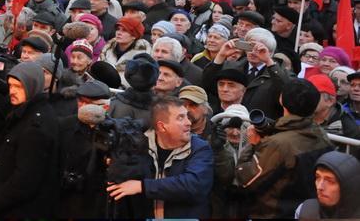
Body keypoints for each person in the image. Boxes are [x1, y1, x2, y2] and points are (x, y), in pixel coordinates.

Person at [235, 78, 334, 218]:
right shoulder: (320, 134)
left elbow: (246, 179)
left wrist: (253, 145)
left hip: (274, 214)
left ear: (281, 99)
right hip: (304, 212)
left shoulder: (279, 144)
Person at [107, 96, 213, 218]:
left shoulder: (200, 148)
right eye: (181, 118)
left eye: (187, 116)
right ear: (162, 126)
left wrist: (143, 186)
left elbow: (194, 185)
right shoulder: (138, 146)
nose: (188, 122)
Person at [0, 61, 58, 218]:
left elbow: (25, 180)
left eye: (19, 87)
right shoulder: (23, 113)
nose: (12, 91)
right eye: (10, 86)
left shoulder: (36, 125)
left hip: (22, 211)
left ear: (33, 86)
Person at [55, 80, 112, 217]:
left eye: (89, 104)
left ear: (104, 107)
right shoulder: (64, 126)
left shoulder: (113, 130)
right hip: (66, 198)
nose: (83, 107)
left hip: (97, 200)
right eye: (81, 101)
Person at [297, 150, 360, 219]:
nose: (319, 187)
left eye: (330, 181)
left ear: (348, 187)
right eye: (318, 177)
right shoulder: (305, 210)